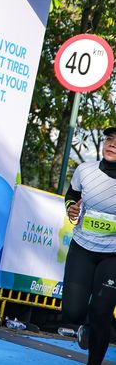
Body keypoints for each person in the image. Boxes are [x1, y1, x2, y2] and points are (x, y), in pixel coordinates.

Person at [63, 126, 116, 364]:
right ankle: (86, 325)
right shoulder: (85, 171)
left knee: (101, 312)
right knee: (72, 312)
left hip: (112, 255)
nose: (112, 144)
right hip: (82, 248)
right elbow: (72, 196)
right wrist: (71, 208)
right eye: (109, 139)